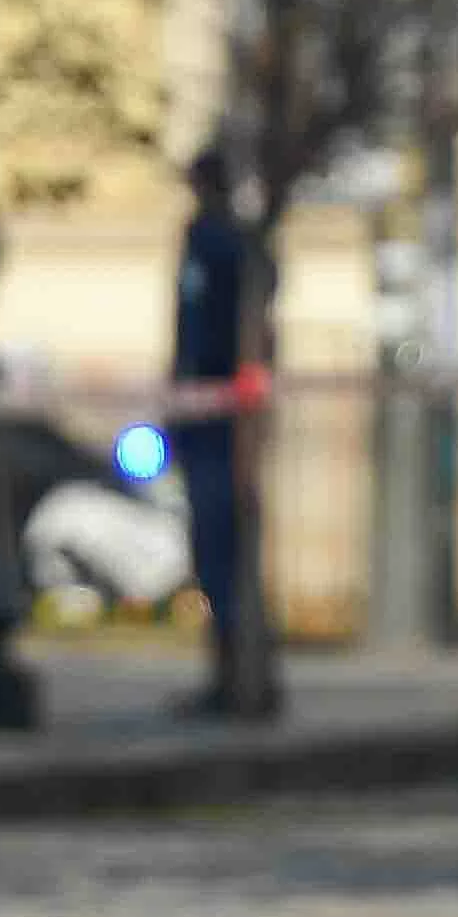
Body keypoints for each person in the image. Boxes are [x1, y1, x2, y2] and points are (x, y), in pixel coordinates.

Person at [167, 147, 258, 714]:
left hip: (219, 420)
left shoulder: (216, 245)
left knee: (219, 548)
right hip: (208, 416)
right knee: (214, 548)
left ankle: (234, 677)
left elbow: (201, 338)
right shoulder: (221, 243)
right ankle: (229, 673)